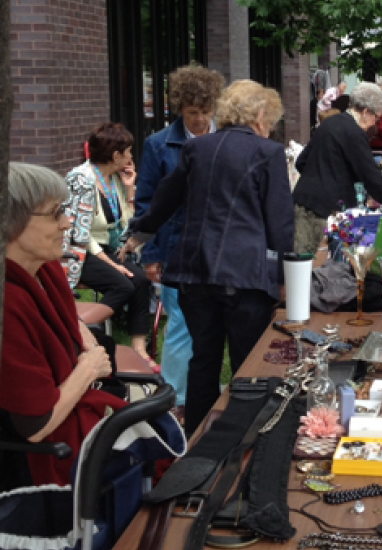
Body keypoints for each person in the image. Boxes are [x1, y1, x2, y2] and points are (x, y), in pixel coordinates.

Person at [120, 80, 294, 437]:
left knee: (204, 360)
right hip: (244, 273)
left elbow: (165, 199)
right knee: (249, 362)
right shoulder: (268, 153)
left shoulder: (196, 148)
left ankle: (197, 439)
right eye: (270, 119)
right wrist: (286, 279)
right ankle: (244, 438)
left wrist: (139, 234)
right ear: (260, 115)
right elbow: (279, 222)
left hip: (194, 271)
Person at [1, 162, 126, 486]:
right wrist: (88, 367)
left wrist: (86, 342)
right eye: (55, 213)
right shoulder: (8, 304)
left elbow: (68, 316)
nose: (67, 222)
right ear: (10, 222)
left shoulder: (45, 268)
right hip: (35, 472)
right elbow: (36, 425)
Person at [133, 64, 225, 425]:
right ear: (179, 110)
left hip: (220, 246)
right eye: (192, 114)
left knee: (213, 326)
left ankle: (203, 390)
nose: (200, 120)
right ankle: (172, 400)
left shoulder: (228, 138)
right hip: (177, 246)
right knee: (182, 324)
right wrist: (151, 253)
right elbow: (147, 202)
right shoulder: (158, 145)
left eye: (205, 112)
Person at [62, 122, 155, 367]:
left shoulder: (114, 180)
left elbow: (125, 222)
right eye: (128, 151)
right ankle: (82, 332)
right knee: (123, 285)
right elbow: (79, 233)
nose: (132, 157)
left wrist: (129, 188)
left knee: (141, 281)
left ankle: (138, 347)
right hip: (80, 251)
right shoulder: (81, 180)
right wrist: (112, 265)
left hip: (105, 249)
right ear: (116, 155)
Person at [292, 82, 382, 254]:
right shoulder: (354, 132)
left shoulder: (329, 122)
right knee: (317, 263)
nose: (374, 124)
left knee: (300, 261)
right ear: (365, 112)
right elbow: (370, 174)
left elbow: (301, 162)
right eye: (376, 118)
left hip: (303, 201)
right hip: (326, 209)